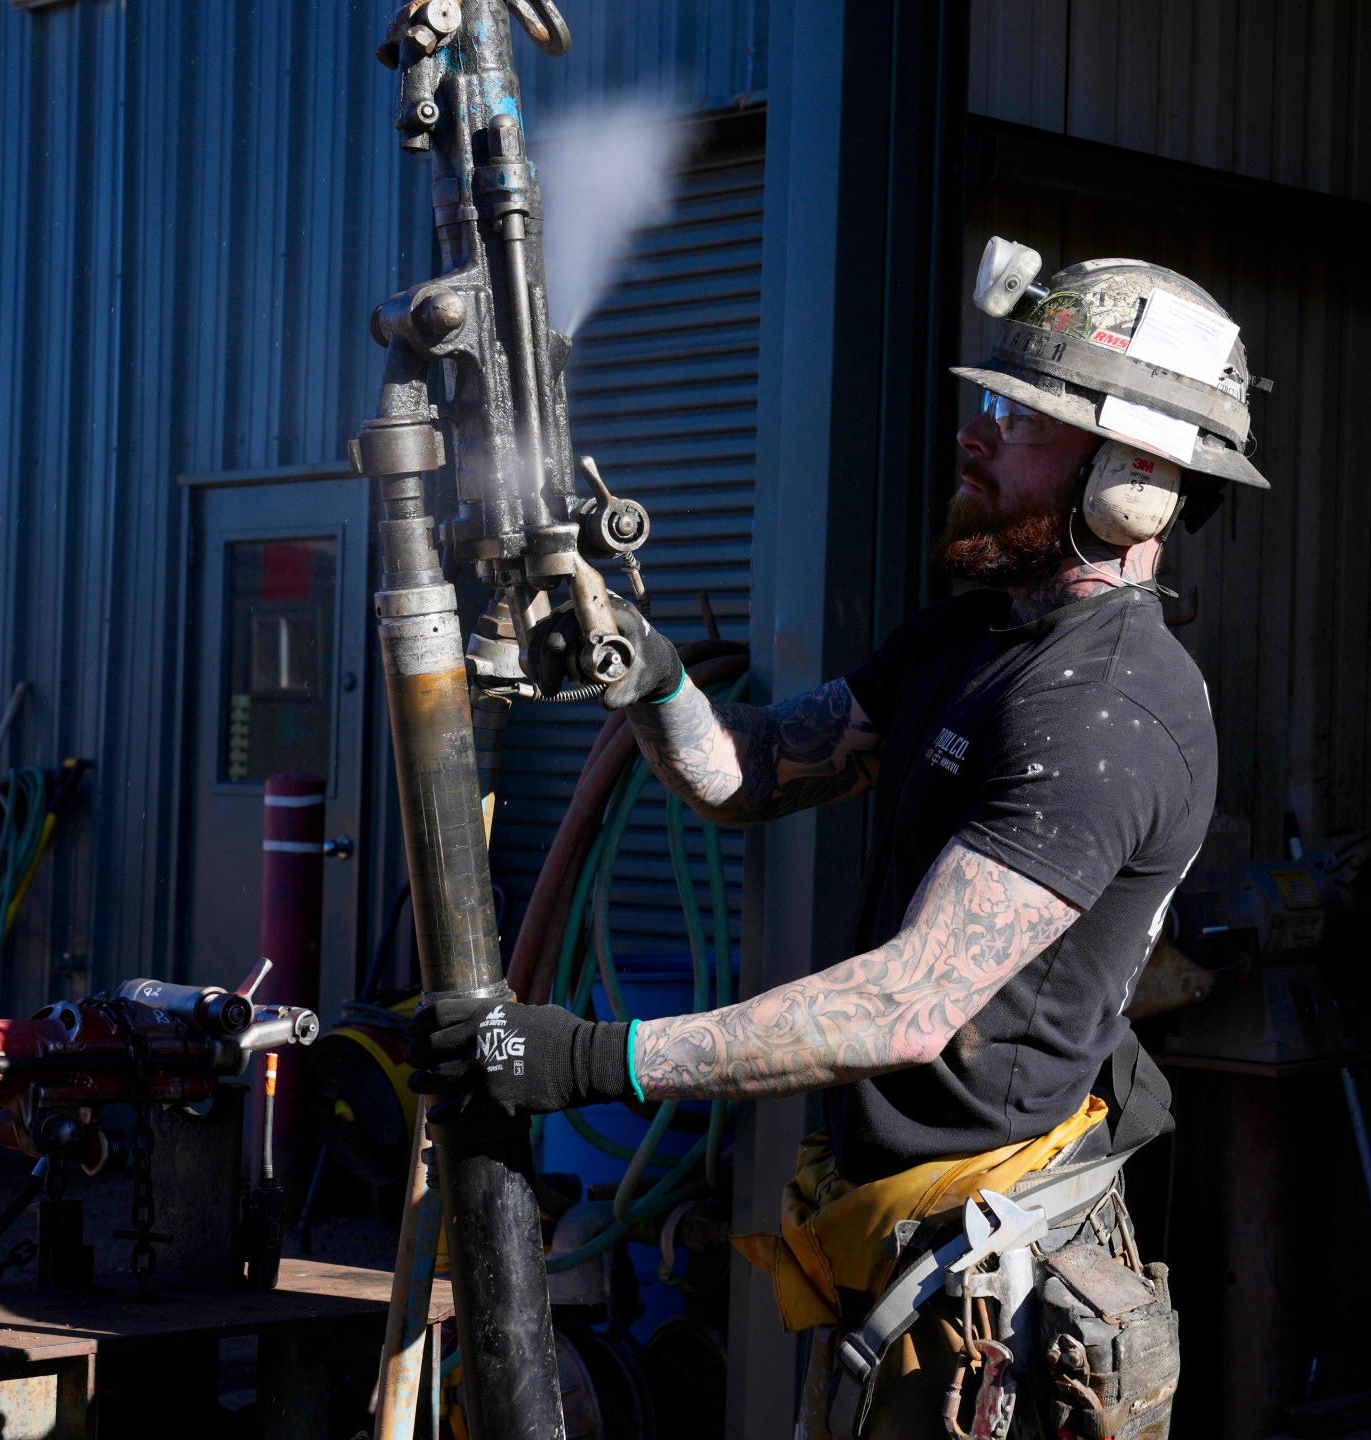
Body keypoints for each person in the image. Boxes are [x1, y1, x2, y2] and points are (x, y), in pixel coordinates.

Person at [411, 247, 1271, 1439]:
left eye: (1020, 420)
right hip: (902, 1248)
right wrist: (643, 668)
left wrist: (589, 1060)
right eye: (991, 401)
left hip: (999, 1293)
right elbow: (751, 772)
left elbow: (906, 1006)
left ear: (1133, 483)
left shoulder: (1108, 710)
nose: (976, 433)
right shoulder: (974, 636)